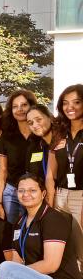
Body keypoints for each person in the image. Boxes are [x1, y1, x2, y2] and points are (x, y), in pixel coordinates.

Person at [0, 90, 37, 223]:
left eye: (24, 105)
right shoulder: (6, 136)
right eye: (15, 106)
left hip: (36, 192)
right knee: (12, 232)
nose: (20, 109)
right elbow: (2, 170)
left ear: (32, 106)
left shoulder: (40, 134)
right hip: (12, 192)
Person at [48, 84, 83, 228]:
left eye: (76, 102)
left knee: (79, 245)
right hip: (60, 196)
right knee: (61, 245)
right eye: (65, 103)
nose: (70, 107)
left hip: (80, 197)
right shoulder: (58, 132)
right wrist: (50, 201)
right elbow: (50, 173)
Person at [25, 105, 55, 182]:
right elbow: (30, 173)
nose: (34, 125)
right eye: (30, 123)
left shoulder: (64, 142)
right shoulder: (33, 145)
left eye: (39, 120)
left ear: (50, 118)